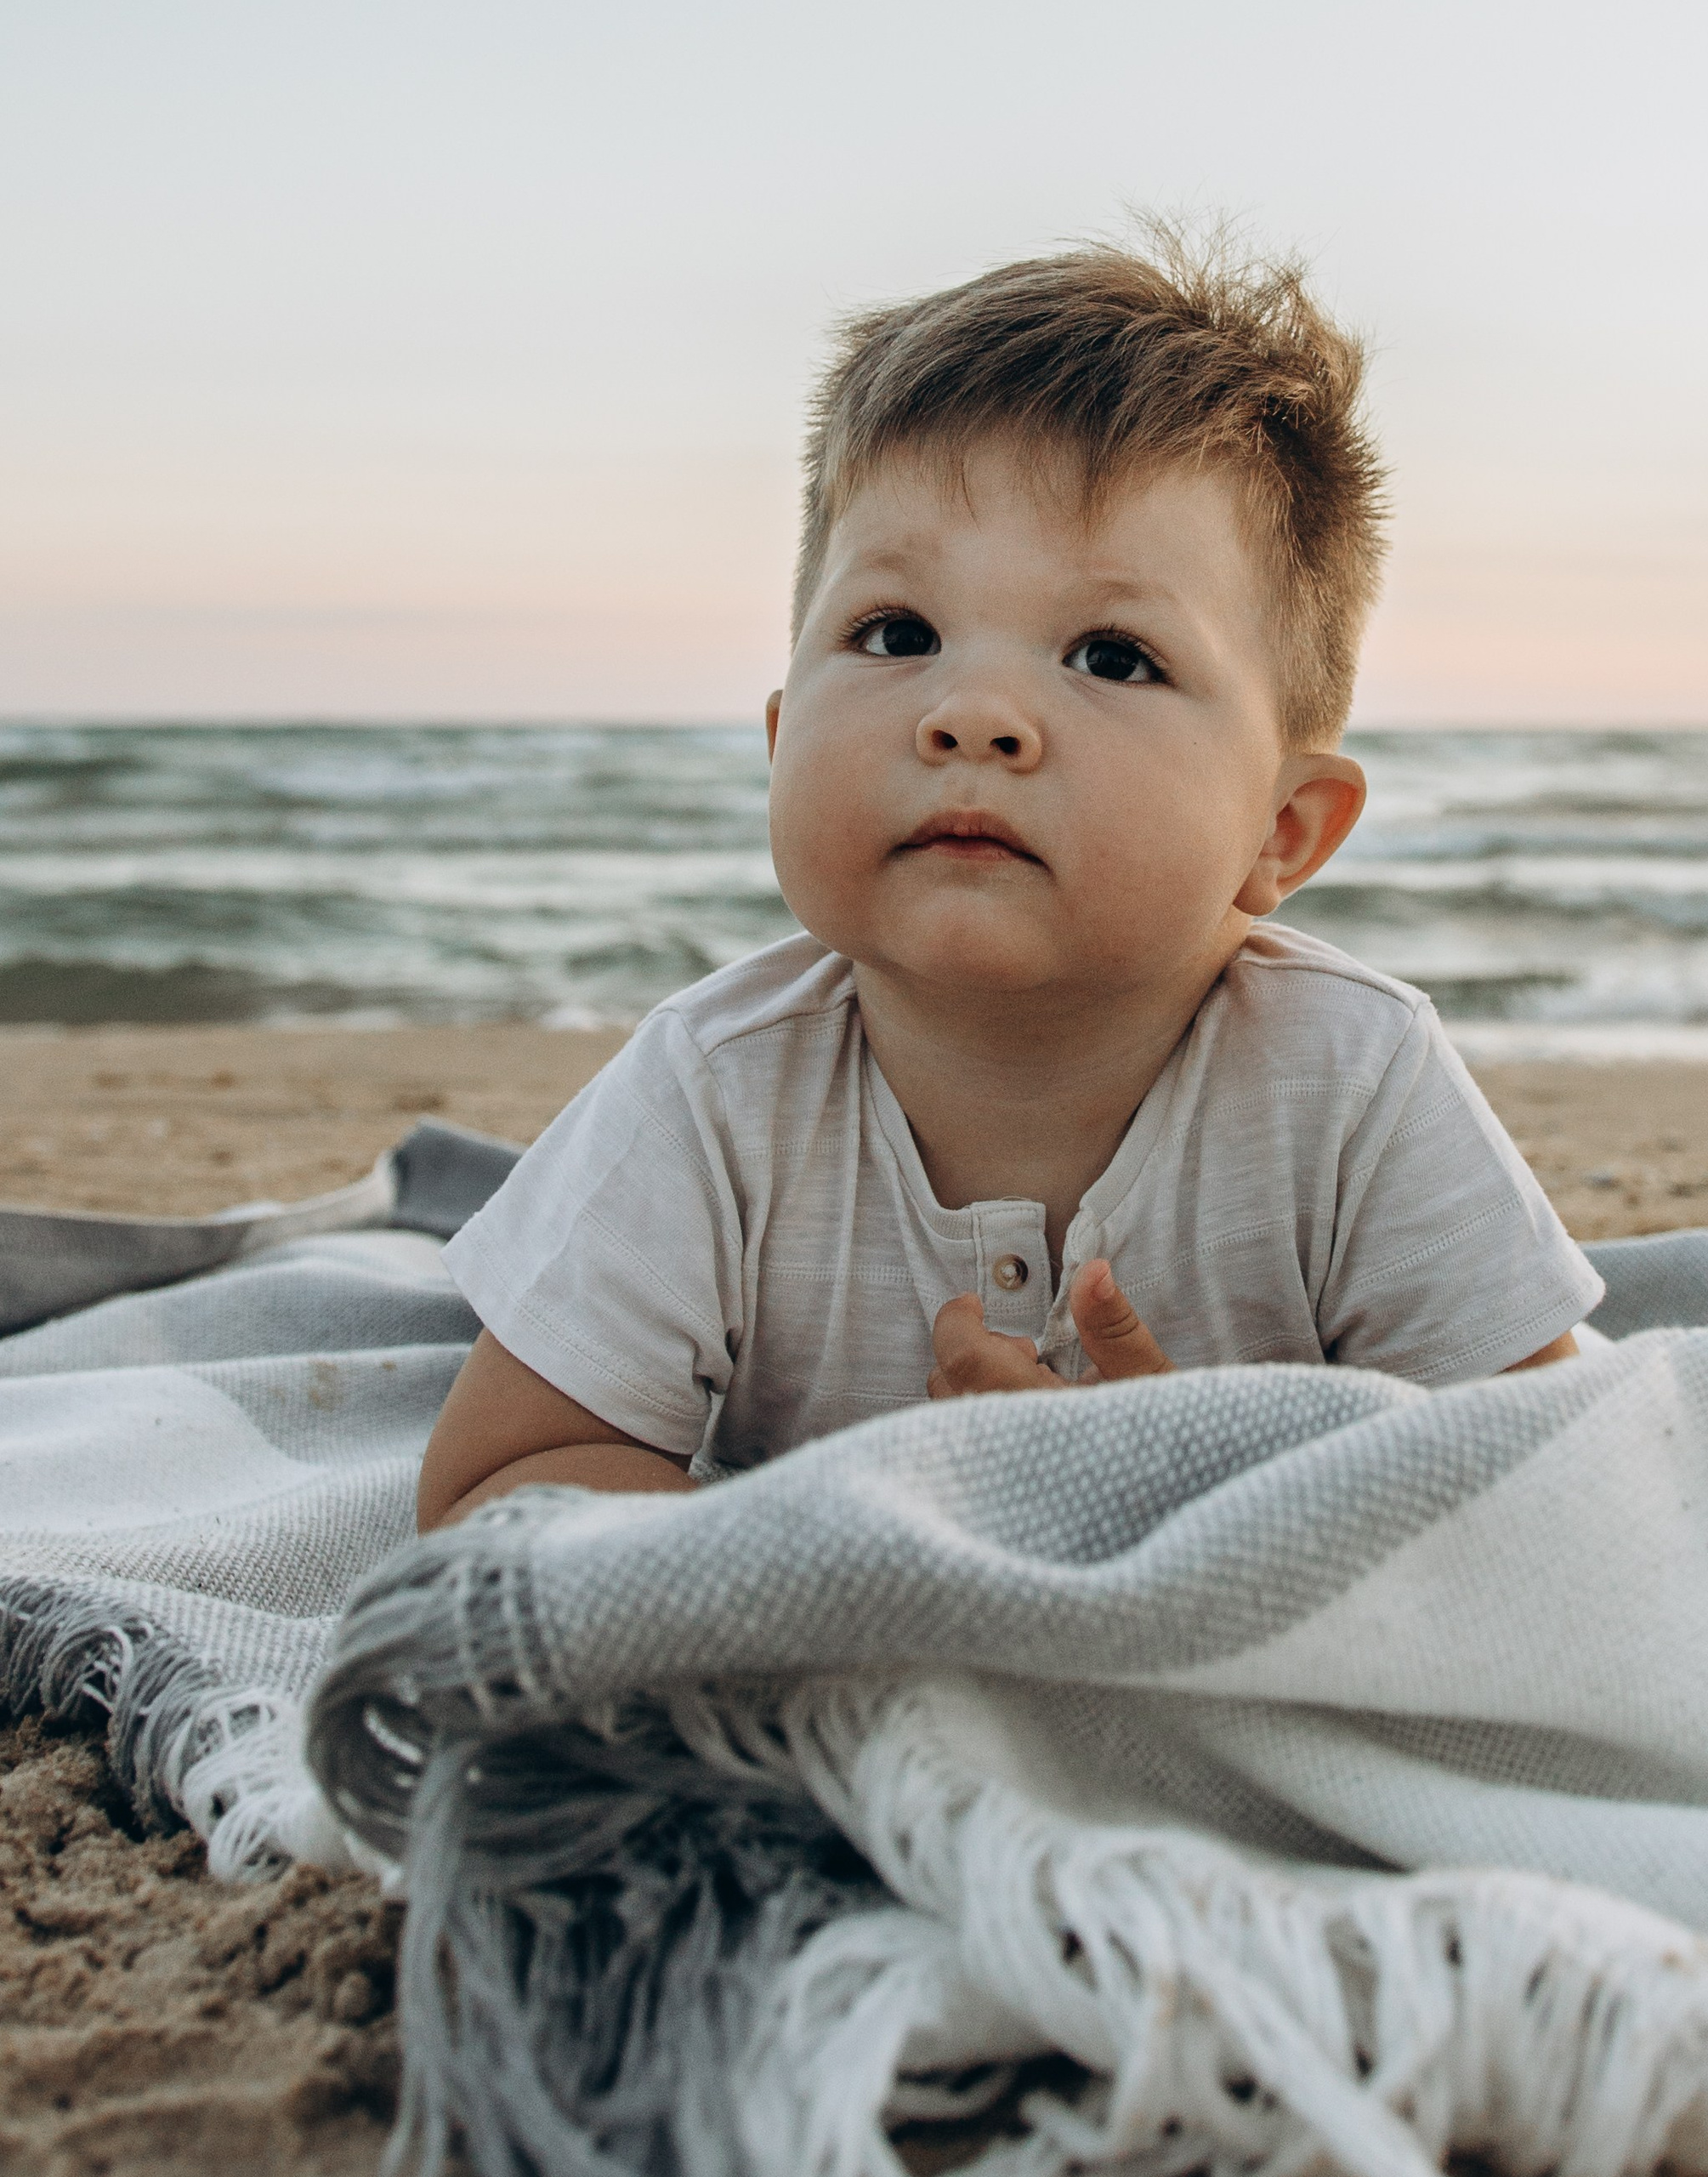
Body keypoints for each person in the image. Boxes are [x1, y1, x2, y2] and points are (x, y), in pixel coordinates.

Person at [417, 235, 1600, 1529]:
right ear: (777, 742)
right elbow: (492, 1486)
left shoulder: (1356, 1086)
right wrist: (854, 1553)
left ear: (1284, 833)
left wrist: (1179, 1493)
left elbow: (1552, 1506)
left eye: (1109, 655)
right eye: (897, 635)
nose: (973, 714)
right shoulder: (713, 1091)